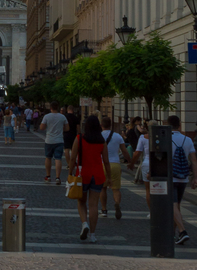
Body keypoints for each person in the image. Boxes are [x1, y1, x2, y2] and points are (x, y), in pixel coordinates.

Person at [69, 115, 110, 243]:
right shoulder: (101, 141)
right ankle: (92, 234)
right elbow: (106, 161)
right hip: (97, 175)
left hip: (82, 175)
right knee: (94, 205)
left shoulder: (79, 138)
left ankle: (84, 224)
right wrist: (108, 177)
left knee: (81, 202)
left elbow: (72, 157)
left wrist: (70, 173)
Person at [167, 115, 197, 245]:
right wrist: (195, 178)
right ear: (179, 125)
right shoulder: (188, 139)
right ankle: (173, 235)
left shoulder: (166, 138)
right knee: (177, 205)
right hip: (183, 177)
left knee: (172, 205)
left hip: (170, 176)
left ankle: (182, 231)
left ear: (168, 125)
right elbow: (194, 160)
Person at [99, 117, 132, 219]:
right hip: (115, 164)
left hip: (102, 164)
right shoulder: (117, 136)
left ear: (101, 125)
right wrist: (130, 162)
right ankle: (117, 203)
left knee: (102, 189)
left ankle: (104, 210)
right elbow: (124, 151)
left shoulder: (99, 136)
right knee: (116, 189)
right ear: (111, 125)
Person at [40, 102, 69, 184]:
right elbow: (67, 128)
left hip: (49, 140)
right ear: (58, 108)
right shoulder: (62, 117)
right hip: (59, 140)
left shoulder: (47, 116)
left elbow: (42, 127)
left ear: (51, 108)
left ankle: (48, 176)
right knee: (58, 159)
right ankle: (57, 178)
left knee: (48, 157)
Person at [128, 120, 153, 216]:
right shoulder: (163, 137)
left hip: (147, 164)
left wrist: (131, 164)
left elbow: (137, 153)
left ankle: (152, 211)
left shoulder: (143, 138)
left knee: (148, 189)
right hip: (160, 165)